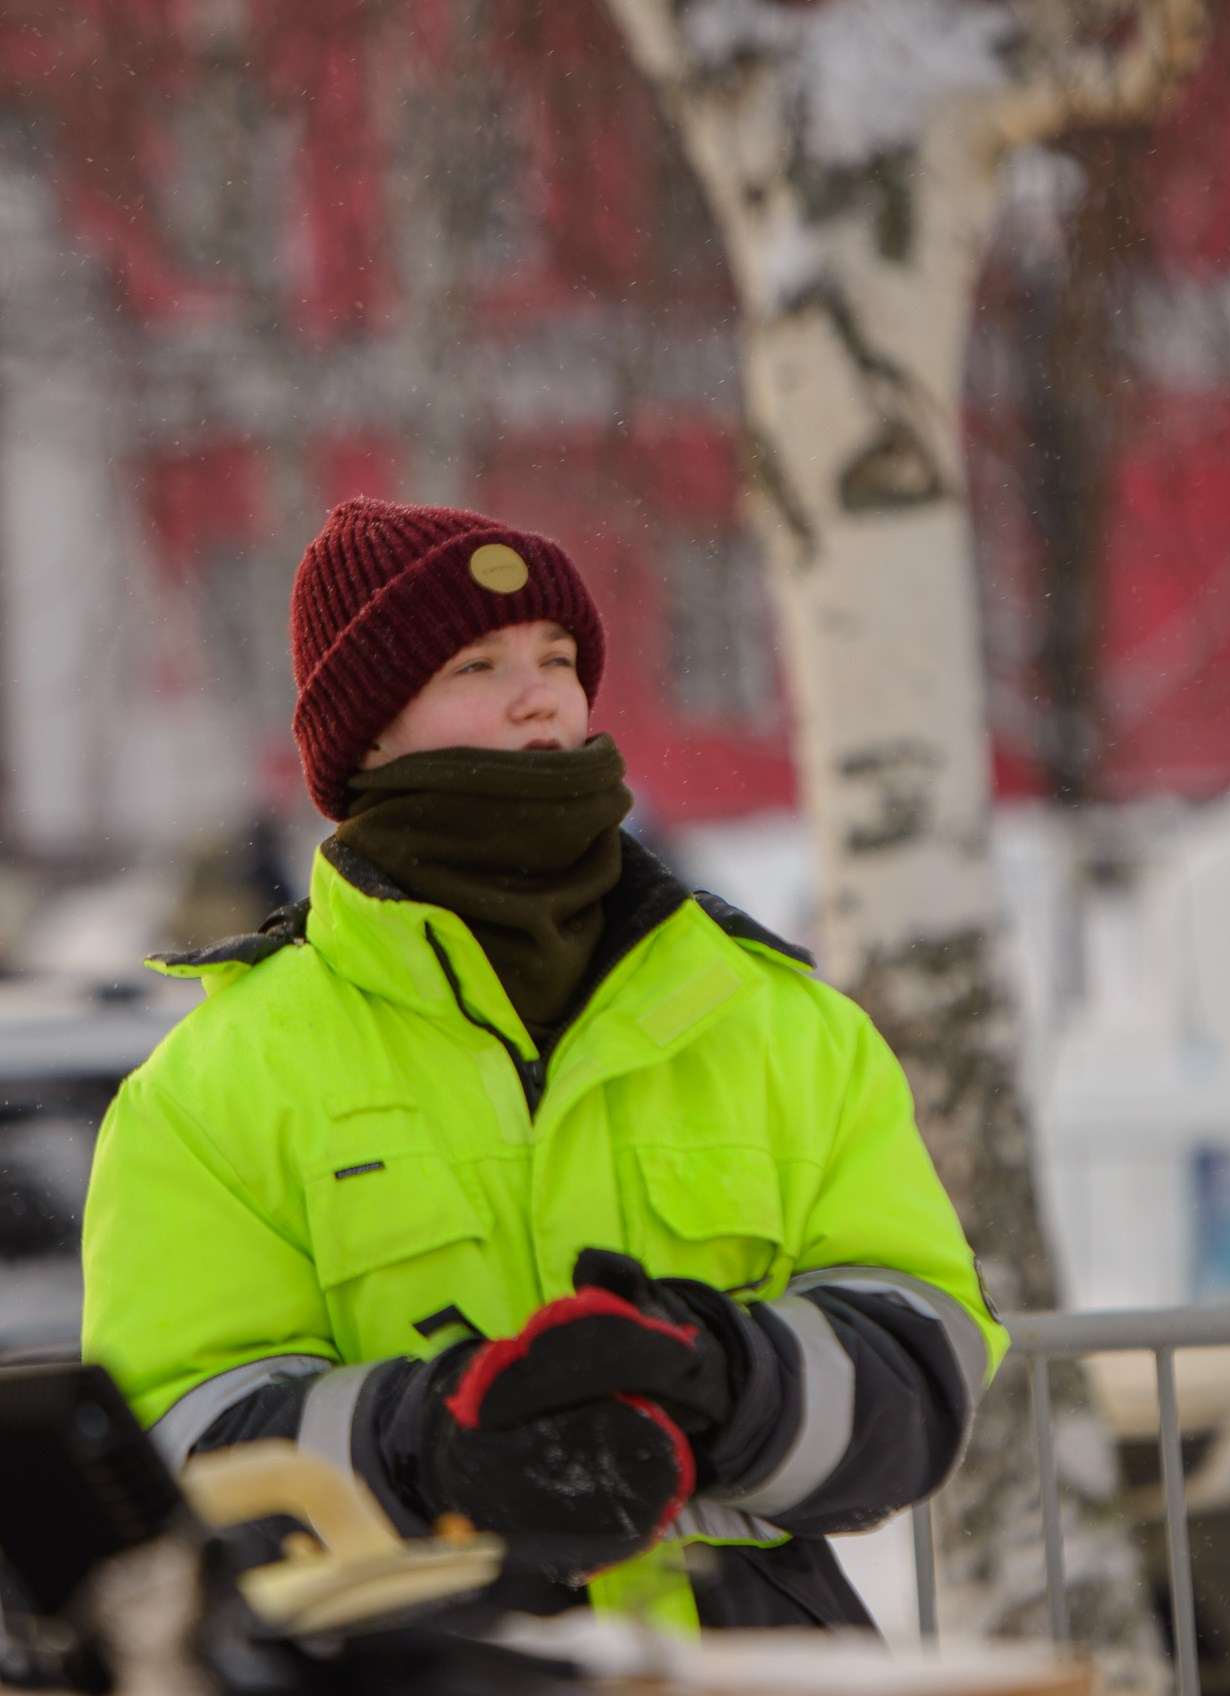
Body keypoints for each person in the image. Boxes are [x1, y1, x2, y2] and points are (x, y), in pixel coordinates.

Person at [82, 498, 1002, 1632]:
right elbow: (173, 1437)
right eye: (477, 664)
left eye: (557, 658)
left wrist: (729, 1383)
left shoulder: (778, 1022)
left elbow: (925, 1359)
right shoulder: (212, 1085)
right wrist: (430, 1446)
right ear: (365, 733)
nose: (539, 696)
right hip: (414, 1661)